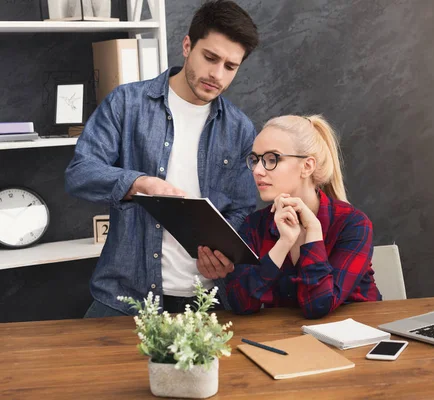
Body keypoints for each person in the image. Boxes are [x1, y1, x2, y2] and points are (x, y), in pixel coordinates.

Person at [65, 1, 259, 317]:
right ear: (186, 46)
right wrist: (138, 183)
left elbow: (242, 208)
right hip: (123, 300)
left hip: (206, 303)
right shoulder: (126, 103)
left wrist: (225, 253)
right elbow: (79, 173)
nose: (216, 74)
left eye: (230, 66)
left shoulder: (240, 129)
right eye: (210, 58)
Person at [196, 115, 381, 319]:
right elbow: (242, 303)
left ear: (307, 166)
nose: (257, 171)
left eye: (272, 159)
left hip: (359, 338)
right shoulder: (254, 225)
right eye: (255, 160)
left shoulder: (353, 224)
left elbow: (318, 305)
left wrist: (313, 232)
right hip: (288, 341)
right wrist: (283, 244)